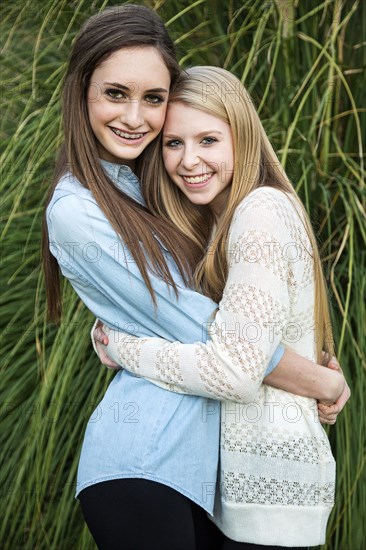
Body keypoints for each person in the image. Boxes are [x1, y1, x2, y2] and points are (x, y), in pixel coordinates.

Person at [43, 5, 348, 549]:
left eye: (153, 99)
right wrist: (318, 379)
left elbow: (212, 325)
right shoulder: (79, 208)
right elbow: (206, 329)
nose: (137, 117)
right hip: (143, 463)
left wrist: (120, 340)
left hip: (209, 478)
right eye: (115, 93)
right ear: (80, 91)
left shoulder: (166, 191)